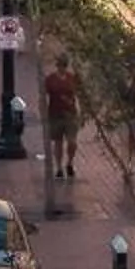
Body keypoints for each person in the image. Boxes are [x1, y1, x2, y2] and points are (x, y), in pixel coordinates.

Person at [41, 50, 82, 181]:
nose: (62, 67)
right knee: (58, 142)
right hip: (55, 114)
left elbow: (78, 94)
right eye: (60, 65)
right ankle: (58, 167)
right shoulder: (50, 80)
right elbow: (43, 96)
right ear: (57, 65)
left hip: (70, 114)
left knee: (72, 142)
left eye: (64, 65)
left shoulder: (72, 78)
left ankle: (69, 163)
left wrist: (80, 110)